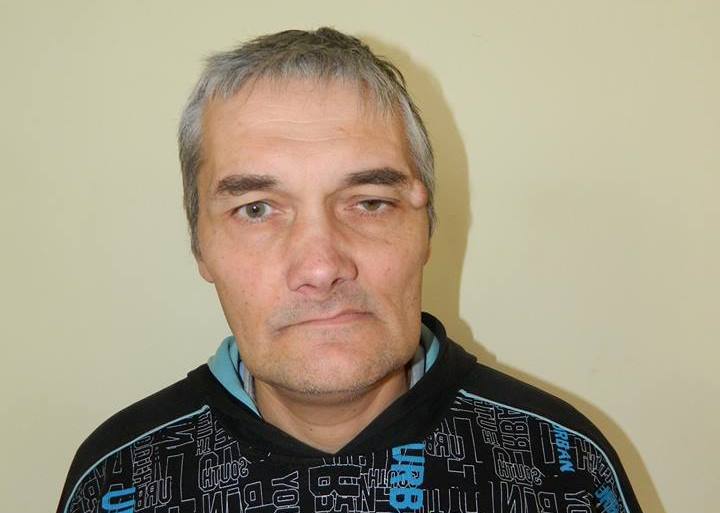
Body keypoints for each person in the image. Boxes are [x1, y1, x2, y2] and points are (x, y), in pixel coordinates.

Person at [57, 28, 643, 513]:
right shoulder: (115, 482)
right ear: (200, 248)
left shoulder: (566, 470)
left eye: (369, 202)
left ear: (426, 229)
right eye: (256, 209)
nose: (320, 267)